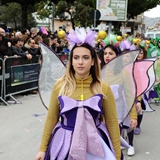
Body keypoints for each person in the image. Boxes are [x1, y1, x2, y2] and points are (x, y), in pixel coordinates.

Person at [35, 29, 121, 160]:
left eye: (85, 57)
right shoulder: (59, 86)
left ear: (93, 61)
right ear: (71, 61)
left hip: (96, 146)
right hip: (65, 144)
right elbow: (51, 118)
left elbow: (112, 122)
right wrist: (42, 149)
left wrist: (117, 153)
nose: (80, 62)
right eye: (76, 57)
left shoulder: (103, 87)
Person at [99, 44, 138, 156]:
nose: (107, 56)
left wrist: (133, 116)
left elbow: (130, 95)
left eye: (111, 53)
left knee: (115, 138)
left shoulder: (123, 72)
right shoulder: (98, 72)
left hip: (118, 110)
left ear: (117, 56)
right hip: (101, 111)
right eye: (105, 53)